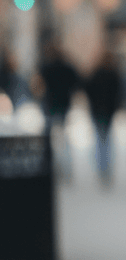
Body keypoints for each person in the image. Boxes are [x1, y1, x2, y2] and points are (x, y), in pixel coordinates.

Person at [38, 42, 82, 182]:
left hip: (50, 105)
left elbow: (38, 85)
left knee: (49, 138)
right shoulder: (67, 67)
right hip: (63, 105)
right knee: (64, 138)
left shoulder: (46, 67)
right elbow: (77, 83)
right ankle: (67, 169)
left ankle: (50, 167)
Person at [85, 51, 124, 188]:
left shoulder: (96, 74)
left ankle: (102, 170)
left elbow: (88, 90)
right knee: (107, 141)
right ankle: (106, 170)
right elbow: (118, 93)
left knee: (100, 141)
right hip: (108, 111)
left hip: (98, 111)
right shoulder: (113, 74)